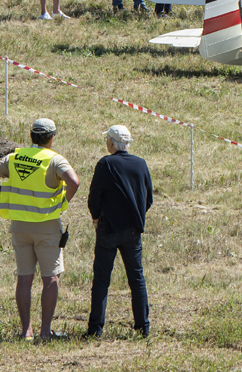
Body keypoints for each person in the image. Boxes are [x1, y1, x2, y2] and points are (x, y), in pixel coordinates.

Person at [0, 117, 80, 342]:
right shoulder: (54, 160)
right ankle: (45, 332)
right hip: (46, 225)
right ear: (52, 138)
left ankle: (26, 331)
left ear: (31, 136)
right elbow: (74, 181)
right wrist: (62, 203)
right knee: (50, 278)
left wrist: (5, 195)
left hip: (19, 226)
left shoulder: (15, 157)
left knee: (24, 279)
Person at [84, 125, 153, 339]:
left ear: (111, 143)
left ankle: (96, 330)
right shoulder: (140, 164)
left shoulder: (106, 163)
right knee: (137, 279)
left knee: (102, 280)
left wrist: (95, 217)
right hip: (133, 230)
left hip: (108, 229)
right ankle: (143, 327)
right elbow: (148, 197)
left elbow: (94, 196)